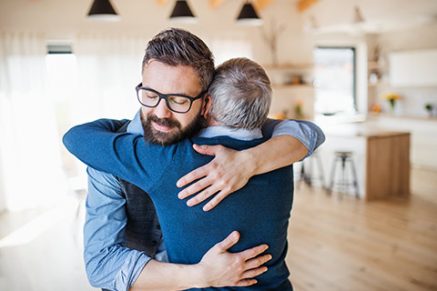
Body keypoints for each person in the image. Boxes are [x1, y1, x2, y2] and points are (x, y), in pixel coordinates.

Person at [81, 28, 324, 291]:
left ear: (205, 101)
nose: (161, 113)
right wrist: (201, 275)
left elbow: (307, 131)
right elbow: (100, 267)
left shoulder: (229, 140)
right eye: (150, 95)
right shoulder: (109, 155)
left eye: (179, 99)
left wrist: (248, 161)